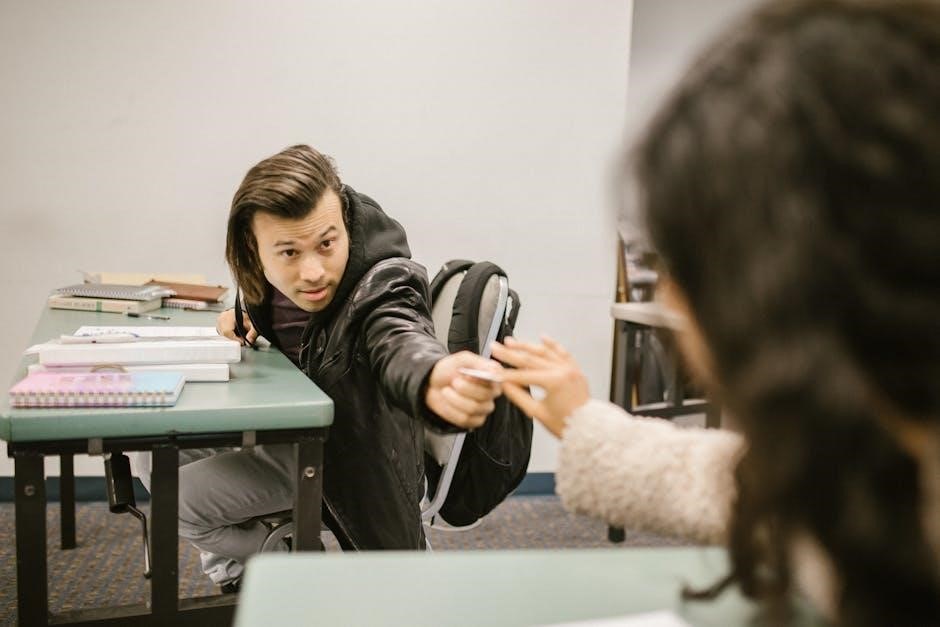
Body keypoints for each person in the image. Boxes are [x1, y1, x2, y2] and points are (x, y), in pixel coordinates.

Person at [491, 1, 940, 624]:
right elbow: (738, 481)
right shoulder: (873, 462)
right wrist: (586, 424)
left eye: (687, 264)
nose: (670, 300)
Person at [176, 144, 502, 590]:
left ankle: (291, 569)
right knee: (158, 453)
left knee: (178, 499)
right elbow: (296, 321)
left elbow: (398, 335)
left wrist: (428, 375)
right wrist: (244, 315)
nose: (313, 272)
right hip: (297, 433)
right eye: (289, 253)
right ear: (254, 251)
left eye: (326, 244)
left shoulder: (384, 281)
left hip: (349, 455)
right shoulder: (266, 279)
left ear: (345, 224)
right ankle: (248, 573)